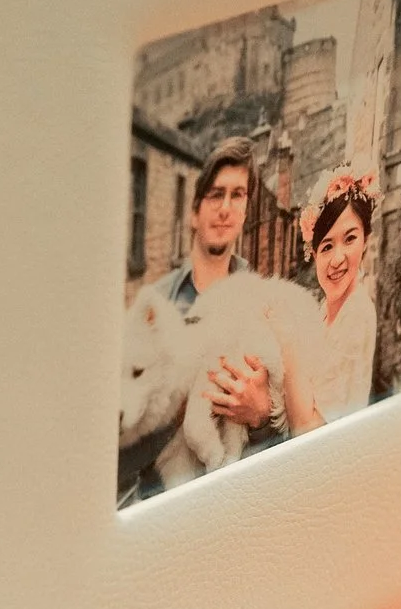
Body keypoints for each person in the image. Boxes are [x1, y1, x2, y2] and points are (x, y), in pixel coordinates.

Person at [118, 136, 287, 500]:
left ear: (245, 210)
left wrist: (262, 413)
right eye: (214, 194)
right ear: (193, 212)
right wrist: (179, 411)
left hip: (239, 498)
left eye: (237, 195)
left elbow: (292, 434)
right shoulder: (154, 307)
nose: (225, 208)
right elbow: (117, 452)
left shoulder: (264, 302)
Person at [301, 169, 379, 422]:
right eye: (326, 246)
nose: (337, 259)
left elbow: (310, 430)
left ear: (365, 240)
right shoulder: (324, 311)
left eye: (350, 239)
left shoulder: (356, 313)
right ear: (314, 256)